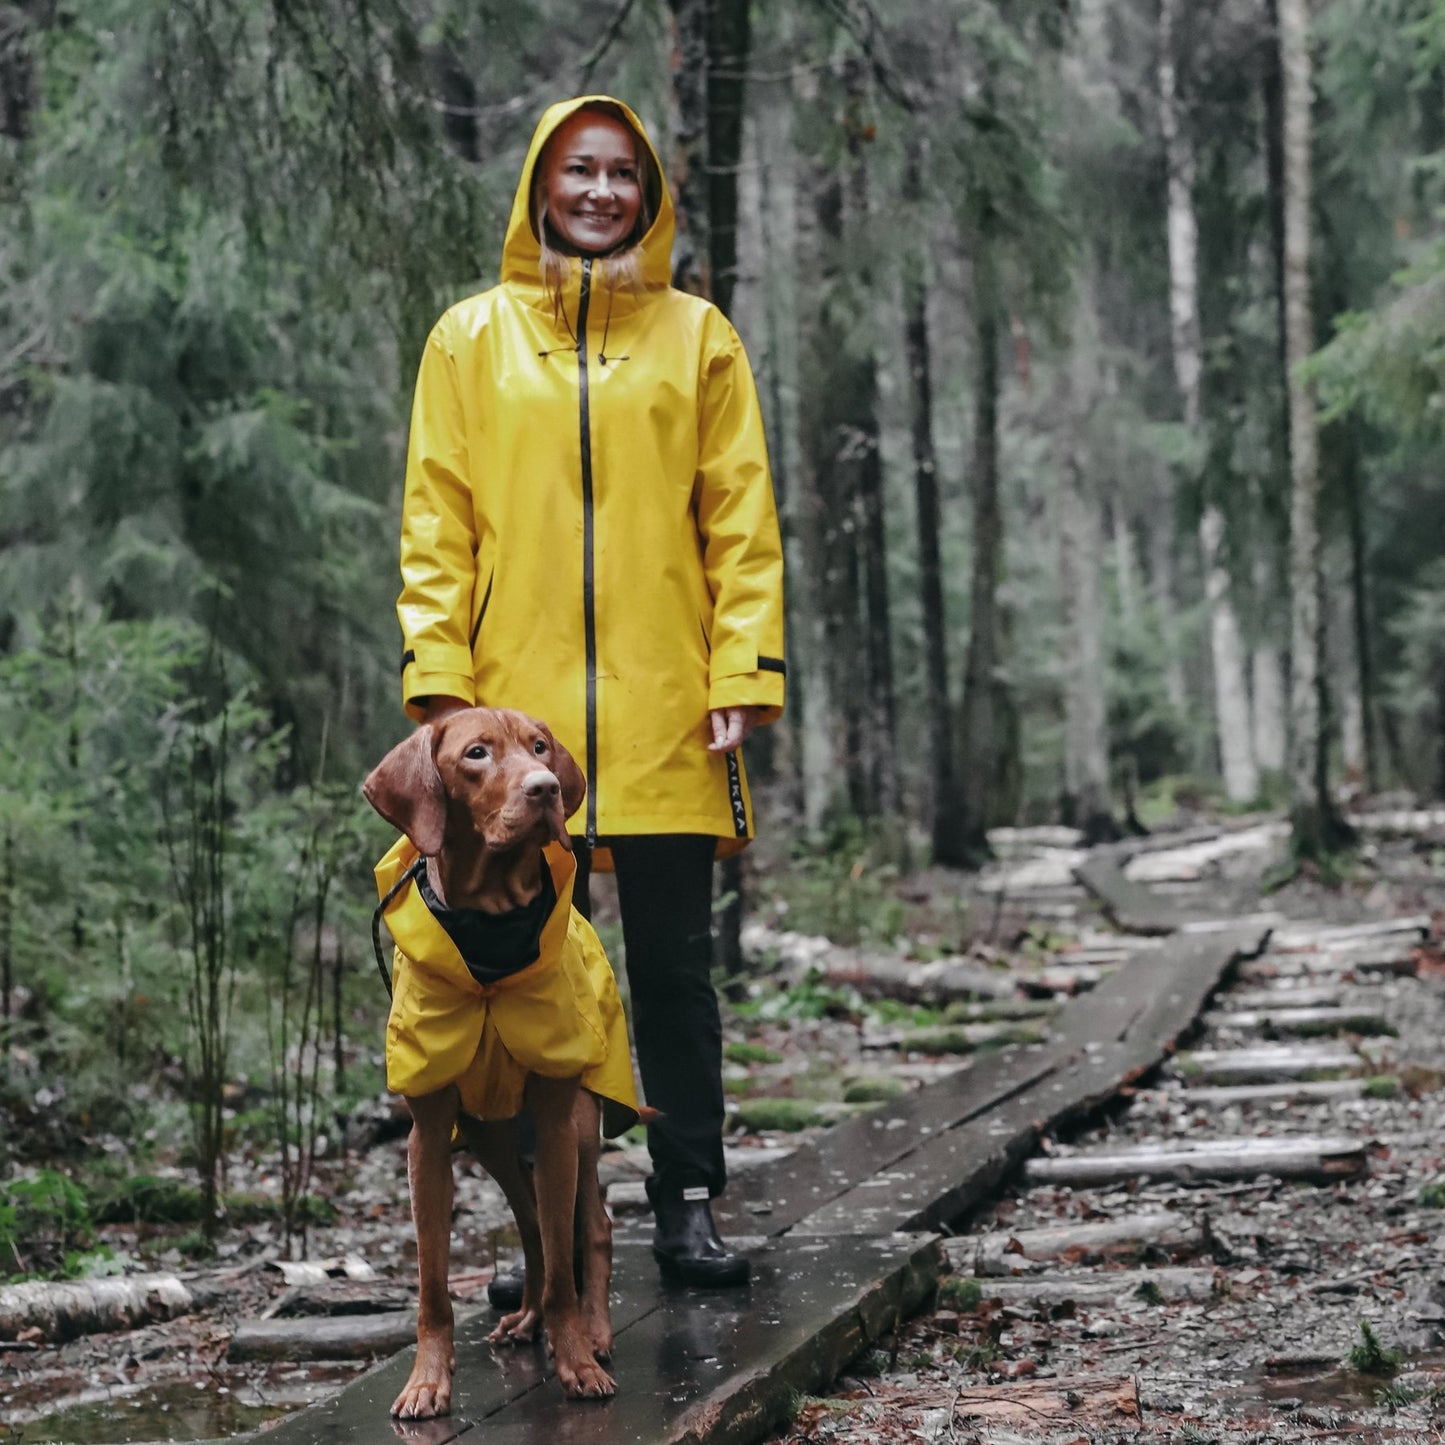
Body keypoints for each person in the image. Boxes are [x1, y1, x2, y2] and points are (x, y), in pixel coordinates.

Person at [395, 95, 785, 1287]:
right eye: (579, 170)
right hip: (517, 736)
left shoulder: (699, 337)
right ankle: (549, 1230)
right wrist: (443, 690)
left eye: (623, 173)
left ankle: (686, 1203)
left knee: (670, 969)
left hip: (671, 708)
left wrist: (741, 672)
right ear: (539, 186)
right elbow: (436, 524)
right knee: (525, 985)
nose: (601, 191)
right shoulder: (468, 339)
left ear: (649, 194)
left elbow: (740, 523)